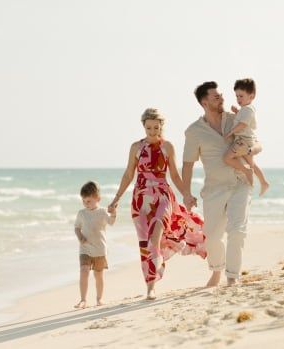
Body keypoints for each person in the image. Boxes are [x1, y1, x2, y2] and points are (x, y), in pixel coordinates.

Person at [108, 108, 207, 300]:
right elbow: (129, 174)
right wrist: (116, 199)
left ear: (161, 126)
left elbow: (175, 176)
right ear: (143, 126)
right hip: (140, 199)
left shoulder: (168, 147)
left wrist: (187, 194)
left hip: (162, 196)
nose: (152, 131)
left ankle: (158, 267)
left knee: (155, 237)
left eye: (156, 127)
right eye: (149, 128)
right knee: (146, 244)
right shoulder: (136, 147)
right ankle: (150, 287)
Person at [182, 81, 262, 287]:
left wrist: (250, 151)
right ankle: (217, 270)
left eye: (221, 95)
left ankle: (232, 276)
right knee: (212, 237)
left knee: (237, 230)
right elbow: (188, 165)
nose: (222, 99)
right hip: (214, 189)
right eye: (216, 97)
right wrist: (186, 193)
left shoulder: (237, 119)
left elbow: (257, 142)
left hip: (240, 183)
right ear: (204, 102)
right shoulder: (193, 131)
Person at [223, 78, 270, 196]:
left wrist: (230, 132)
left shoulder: (248, 109)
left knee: (227, 158)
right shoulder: (245, 109)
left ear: (251, 96)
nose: (238, 99)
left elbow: (242, 124)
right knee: (252, 163)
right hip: (245, 140)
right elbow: (243, 118)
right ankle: (263, 182)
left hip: (244, 141)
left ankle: (247, 171)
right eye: (237, 96)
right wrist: (237, 112)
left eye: (241, 96)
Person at [73, 181, 116, 308]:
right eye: (84, 201)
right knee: (83, 270)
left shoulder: (102, 212)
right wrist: (79, 236)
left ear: (98, 199)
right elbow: (76, 227)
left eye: (89, 201)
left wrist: (113, 212)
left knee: (98, 275)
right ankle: (83, 300)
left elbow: (111, 222)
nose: (86, 204)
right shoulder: (81, 213)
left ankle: (99, 298)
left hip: (99, 250)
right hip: (85, 248)